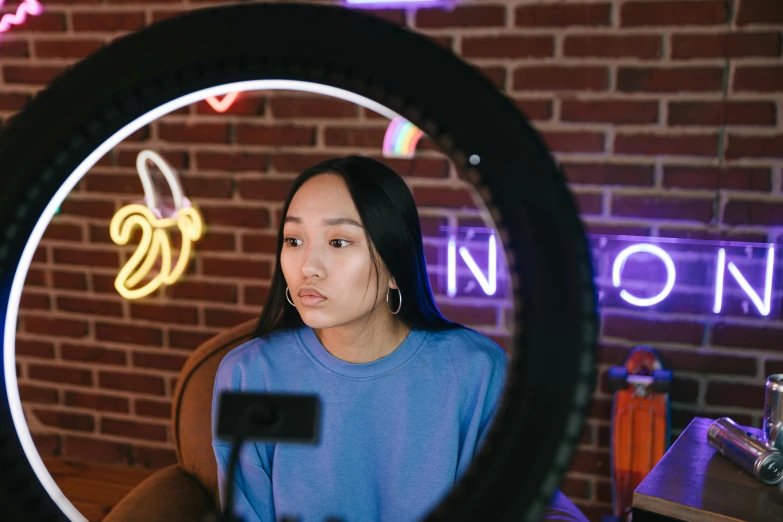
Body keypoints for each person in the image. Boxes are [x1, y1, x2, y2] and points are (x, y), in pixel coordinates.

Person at [211, 155, 587, 522]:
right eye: (294, 240)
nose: (308, 266)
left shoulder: (476, 371)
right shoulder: (249, 375)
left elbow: (519, 495)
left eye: (339, 242)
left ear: (396, 265)